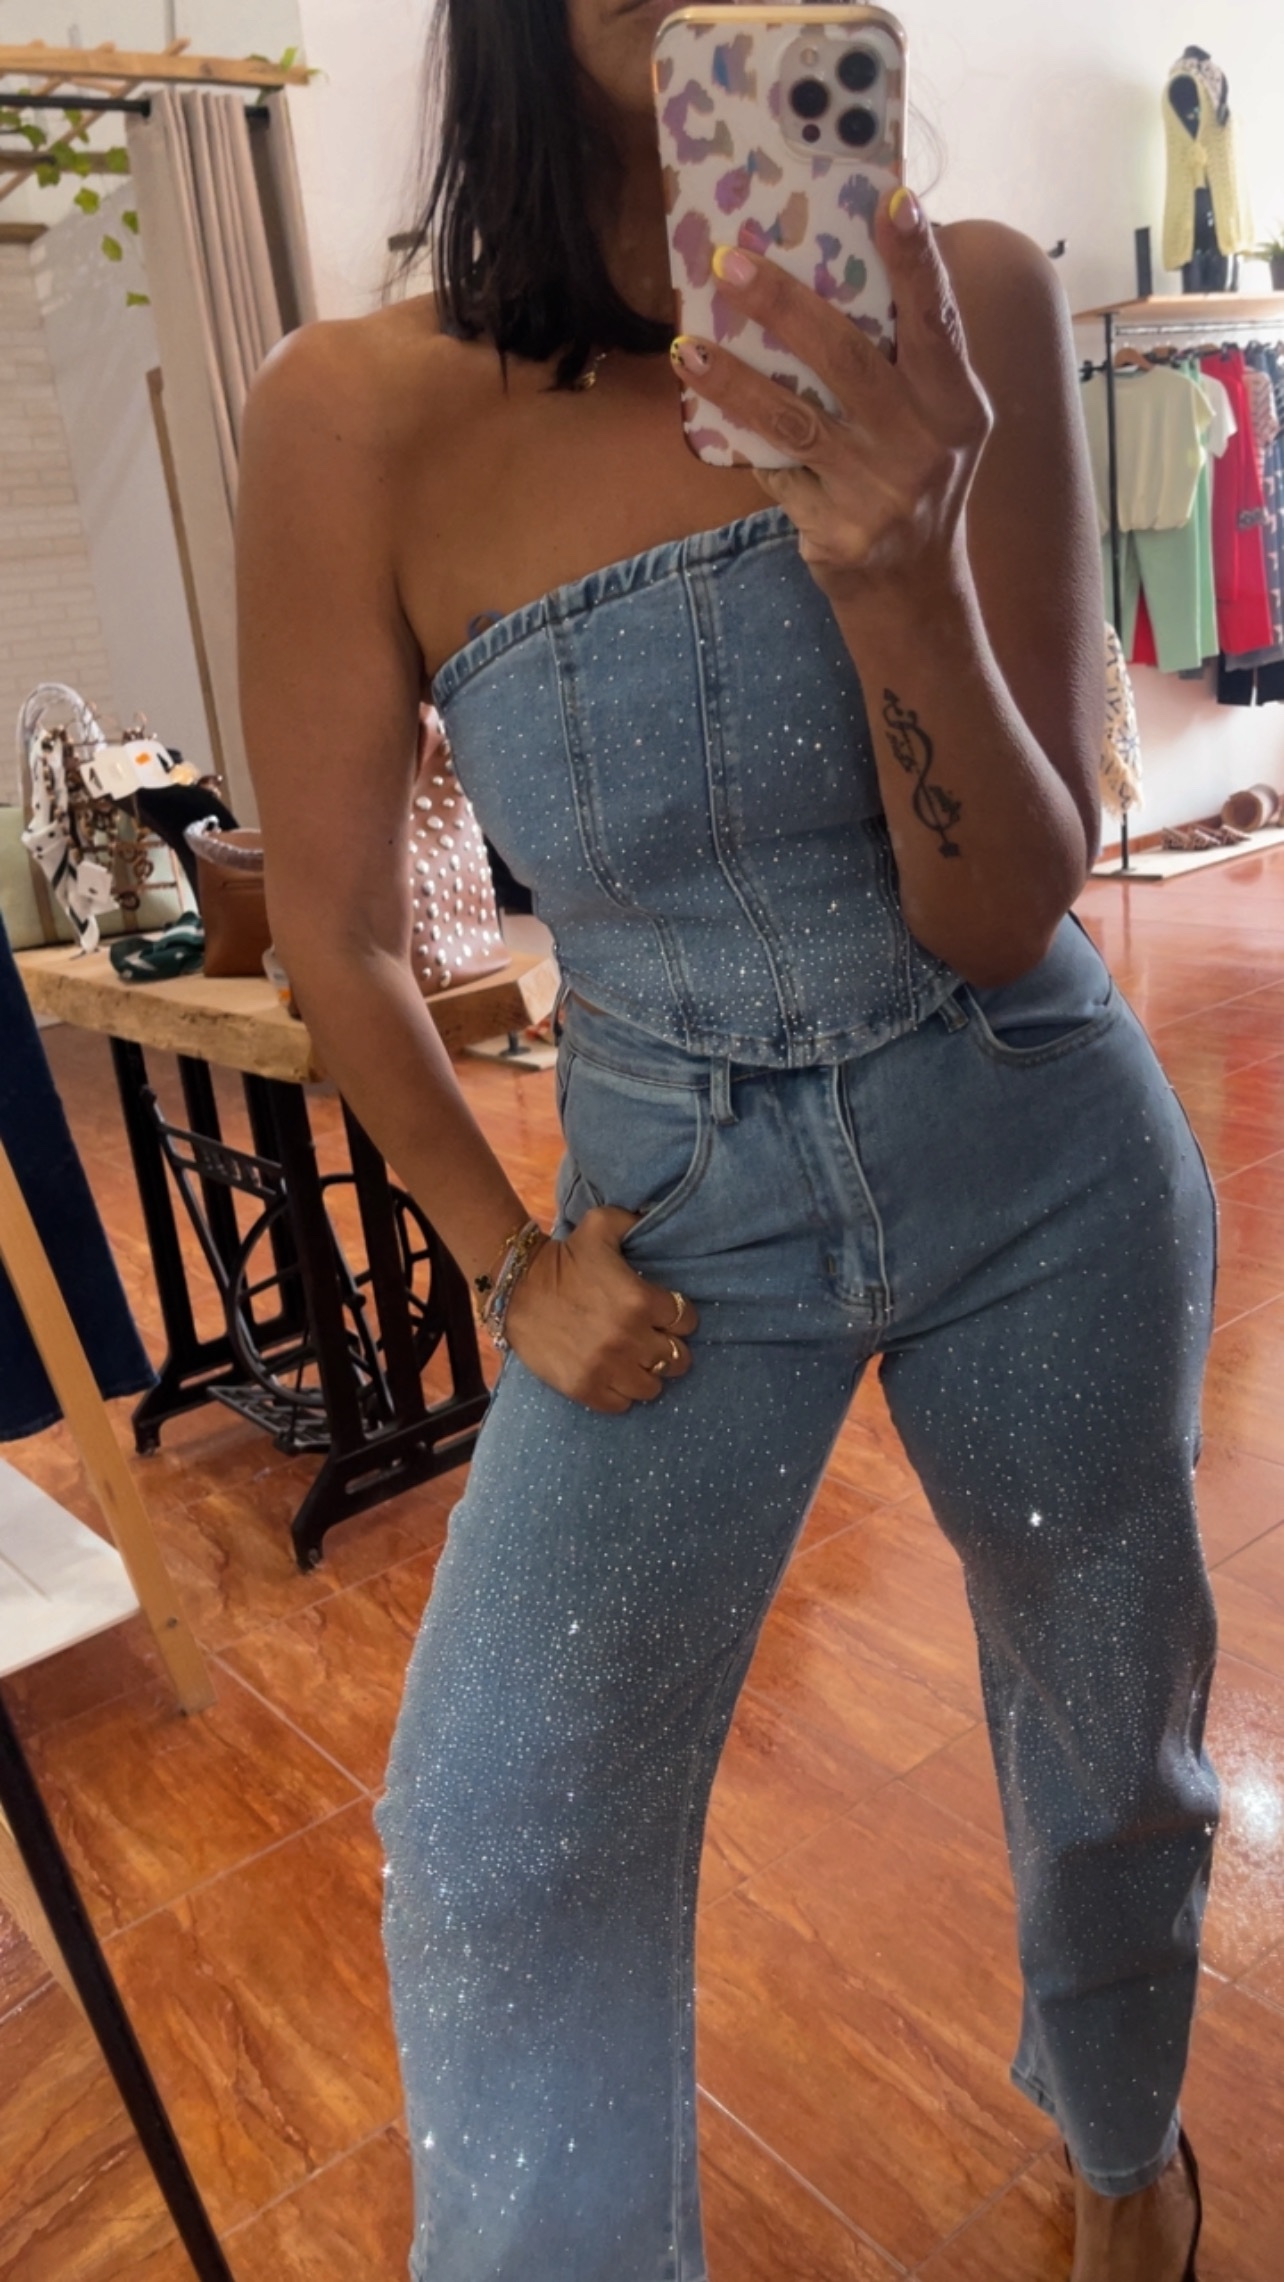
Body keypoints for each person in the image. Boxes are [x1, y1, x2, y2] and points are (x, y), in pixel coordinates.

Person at [236, 5, 1218, 2277]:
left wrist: (895, 561)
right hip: (670, 1219)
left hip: (1037, 1146)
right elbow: (344, 939)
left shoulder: (967, 300)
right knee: (494, 1833)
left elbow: (1002, 911)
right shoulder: (353, 415)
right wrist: (504, 1259)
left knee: (1109, 1731)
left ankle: (1126, 2141)